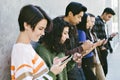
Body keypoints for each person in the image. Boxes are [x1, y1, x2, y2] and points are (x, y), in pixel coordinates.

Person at [11, 4, 68, 80]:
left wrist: (54, 66)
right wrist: (52, 73)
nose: (43, 33)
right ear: (26, 25)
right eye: (40, 28)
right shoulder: (21, 52)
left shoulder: (25, 47)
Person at [53, 2, 93, 80]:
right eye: (79, 17)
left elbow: (72, 45)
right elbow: (60, 53)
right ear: (70, 14)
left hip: (73, 64)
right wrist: (81, 48)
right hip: (63, 68)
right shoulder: (57, 26)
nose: (80, 20)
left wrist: (82, 45)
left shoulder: (73, 26)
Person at [93, 7, 117, 76]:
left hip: (104, 48)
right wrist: (101, 46)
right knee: (103, 71)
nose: (109, 19)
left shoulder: (104, 22)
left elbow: (104, 37)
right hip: (101, 49)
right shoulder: (97, 21)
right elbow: (96, 36)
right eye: (109, 17)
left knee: (104, 70)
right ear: (104, 14)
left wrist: (110, 37)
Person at [88, 13, 106, 80]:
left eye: (93, 22)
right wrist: (97, 44)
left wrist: (100, 43)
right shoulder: (85, 33)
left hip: (97, 59)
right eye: (91, 21)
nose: (93, 23)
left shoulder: (93, 32)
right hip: (91, 61)